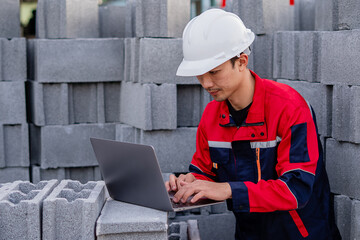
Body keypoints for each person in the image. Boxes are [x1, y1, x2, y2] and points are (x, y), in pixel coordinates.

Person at [165, 8, 341, 240]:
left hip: (300, 235)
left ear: (241, 62)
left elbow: (296, 189)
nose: (206, 83)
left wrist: (227, 189)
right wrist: (190, 183)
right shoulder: (211, 115)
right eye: (200, 74)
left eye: (214, 72)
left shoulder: (290, 108)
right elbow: (205, 172)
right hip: (249, 234)